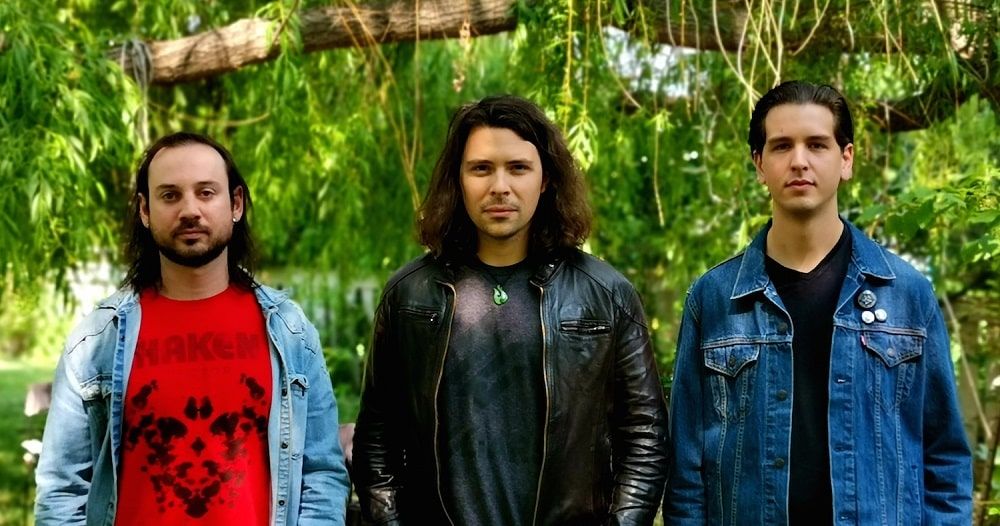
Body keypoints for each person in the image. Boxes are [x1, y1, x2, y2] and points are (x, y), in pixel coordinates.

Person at [664, 81, 972, 524]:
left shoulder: (907, 293)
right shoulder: (714, 299)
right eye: (781, 146)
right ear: (759, 164)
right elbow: (686, 473)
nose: (799, 161)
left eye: (817, 144)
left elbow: (944, 459)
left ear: (846, 159)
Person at [352, 95, 668, 525]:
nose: (499, 186)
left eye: (518, 168)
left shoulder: (606, 295)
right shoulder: (409, 296)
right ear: (458, 179)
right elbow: (377, 441)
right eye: (481, 168)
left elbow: (645, 437)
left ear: (545, 179)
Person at [34, 132, 350, 525]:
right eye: (170, 195)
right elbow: (62, 491)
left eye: (206, 192)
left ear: (235, 204)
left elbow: (321, 474)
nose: (189, 210)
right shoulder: (97, 340)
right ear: (145, 211)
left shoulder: (289, 332)